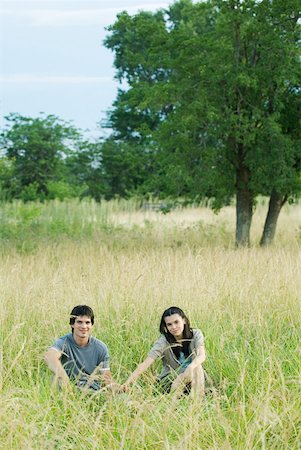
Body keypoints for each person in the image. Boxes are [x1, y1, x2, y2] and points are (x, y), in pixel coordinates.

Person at [122, 306, 206, 398]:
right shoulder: (163, 341)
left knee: (197, 367)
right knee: (180, 380)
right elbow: (146, 363)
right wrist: (127, 383)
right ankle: (174, 405)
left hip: (194, 377)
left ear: (184, 320)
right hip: (171, 380)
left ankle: (197, 402)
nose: (174, 327)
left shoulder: (195, 334)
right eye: (169, 324)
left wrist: (190, 367)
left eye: (176, 322)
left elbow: (201, 355)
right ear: (165, 327)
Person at [44, 304, 119, 392]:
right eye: (79, 322)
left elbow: (106, 378)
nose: (84, 326)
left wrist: (118, 388)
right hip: (67, 390)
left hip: (91, 390)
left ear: (91, 325)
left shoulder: (100, 348)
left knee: (123, 398)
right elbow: (49, 356)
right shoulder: (63, 342)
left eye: (87, 322)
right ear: (72, 324)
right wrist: (66, 381)